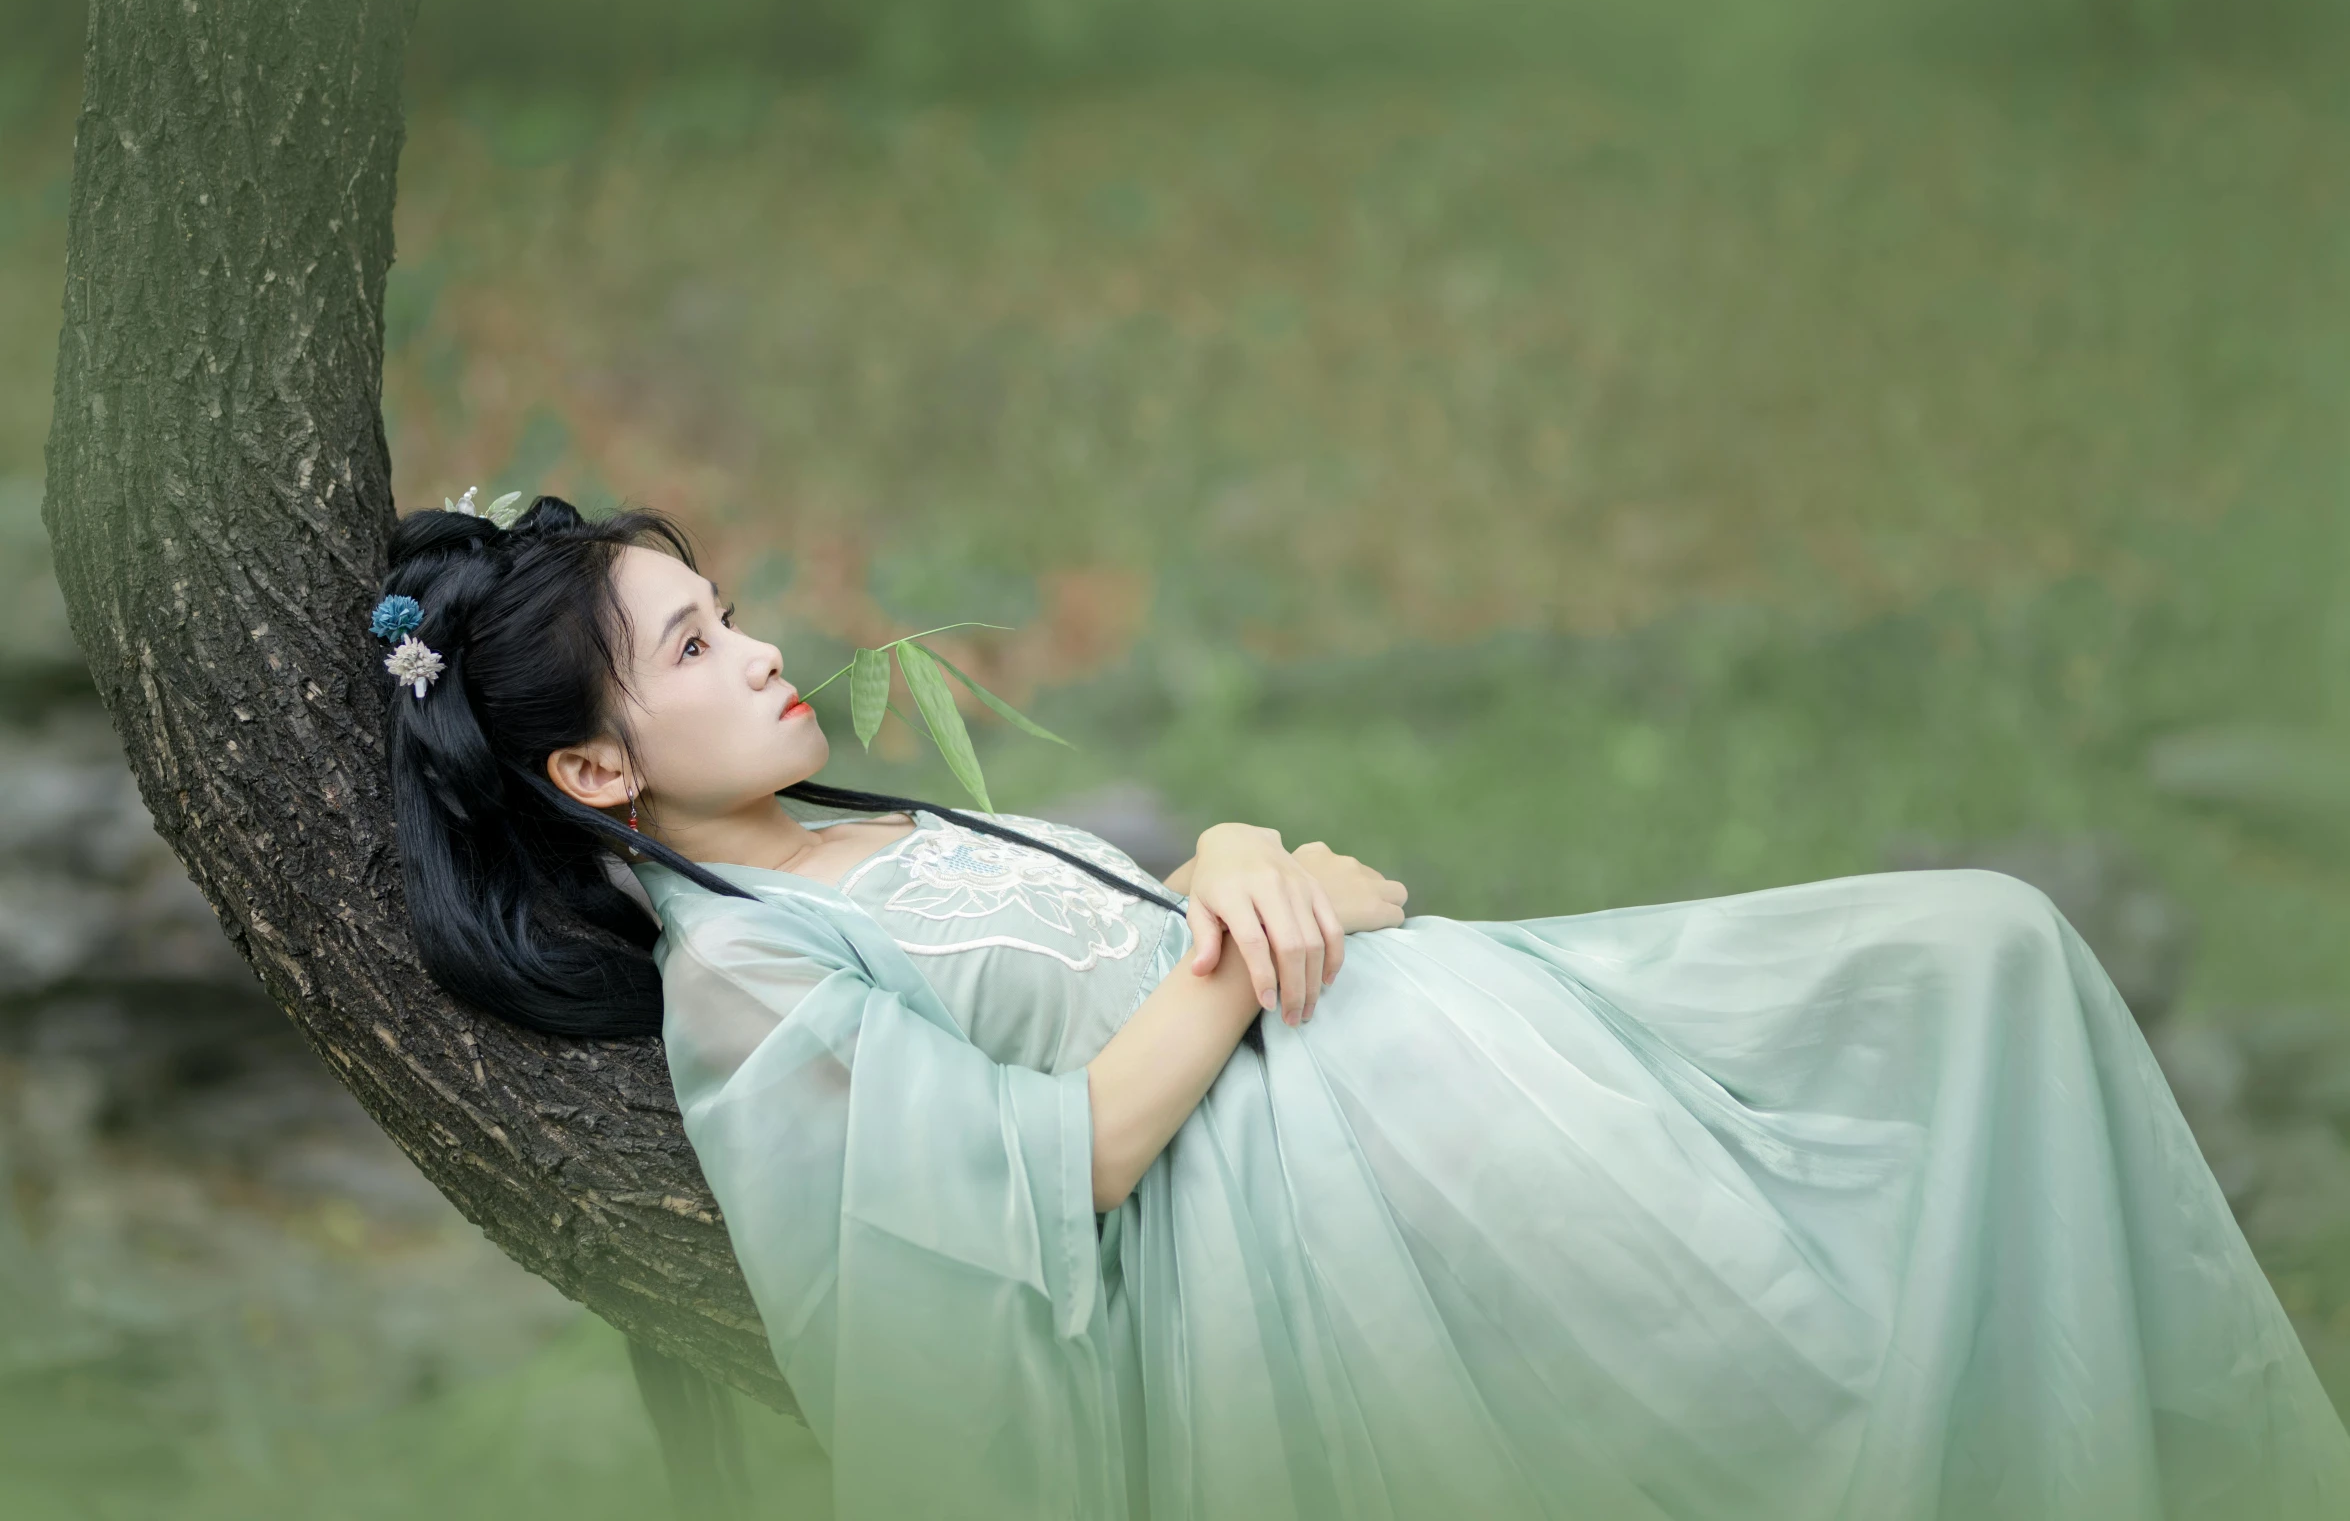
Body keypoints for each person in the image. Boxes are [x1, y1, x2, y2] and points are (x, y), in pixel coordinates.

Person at [375, 495, 2350, 1521]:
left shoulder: (849, 831)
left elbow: (1227, 914)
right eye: (698, 649)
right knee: (1799, 1353)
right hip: (1349, 1197)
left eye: (728, 609)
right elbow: (1008, 1199)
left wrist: (1238, 843)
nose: (767, 648)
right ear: (592, 775)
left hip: (1465, 1026)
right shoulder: (745, 976)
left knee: (1977, 951)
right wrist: (1239, 935)